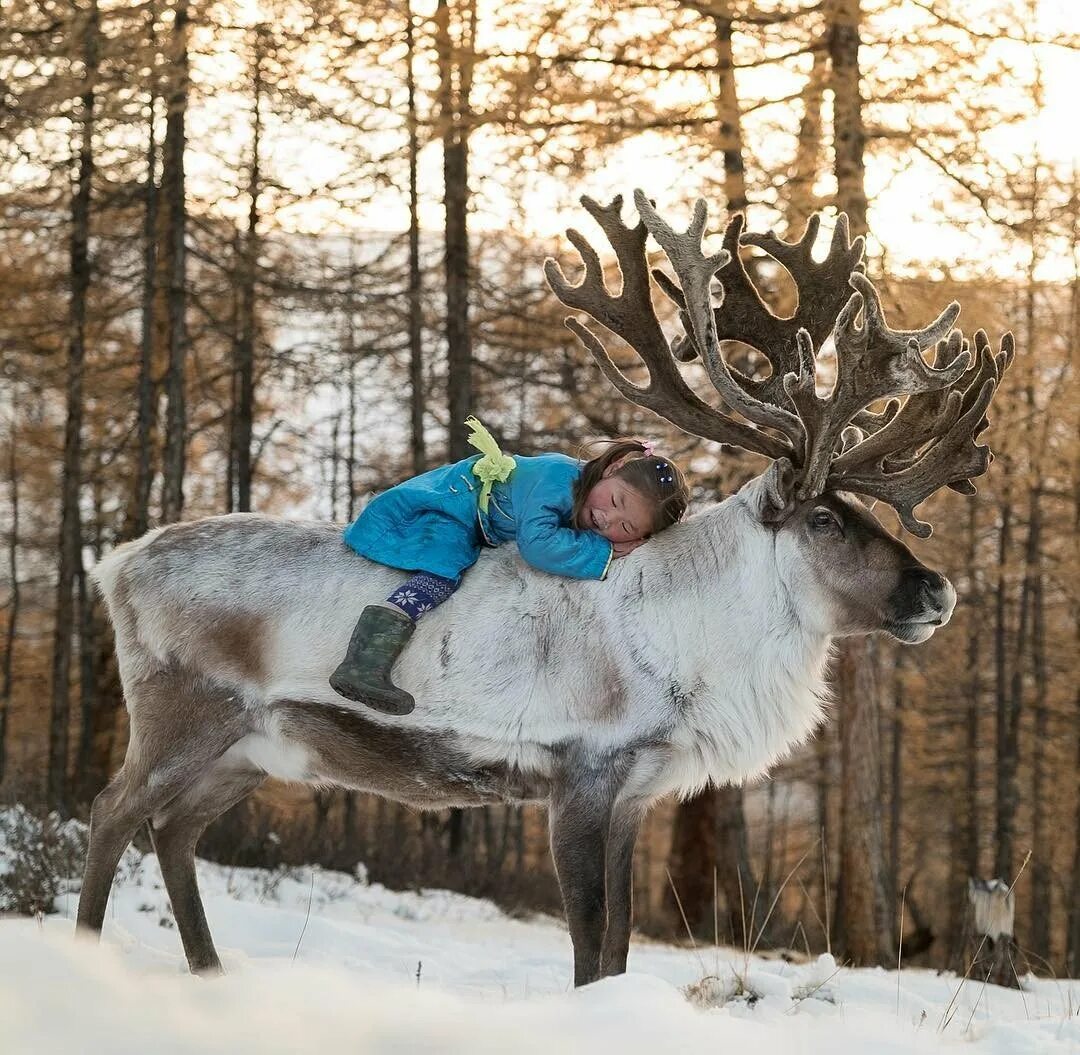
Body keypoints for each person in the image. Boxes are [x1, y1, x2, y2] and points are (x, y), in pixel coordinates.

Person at [329, 417, 689, 714]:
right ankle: (363, 664)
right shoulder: (558, 478)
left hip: (474, 517)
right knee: (444, 567)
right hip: (455, 503)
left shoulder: (590, 497)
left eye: (624, 528)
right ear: (614, 467)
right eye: (614, 500)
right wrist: (603, 553)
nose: (606, 518)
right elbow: (538, 545)